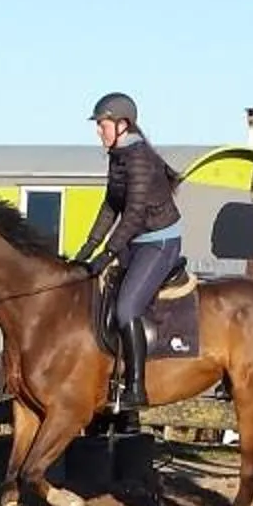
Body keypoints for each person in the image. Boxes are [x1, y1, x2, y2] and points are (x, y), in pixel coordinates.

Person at [69, 92, 183, 409]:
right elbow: (111, 206)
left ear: (122, 124)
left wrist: (107, 254)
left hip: (159, 241)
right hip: (135, 241)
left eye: (102, 125)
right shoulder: (118, 155)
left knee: (126, 308)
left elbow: (133, 214)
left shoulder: (140, 158)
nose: (98, 131)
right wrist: (87, 249)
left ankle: (136, 387)